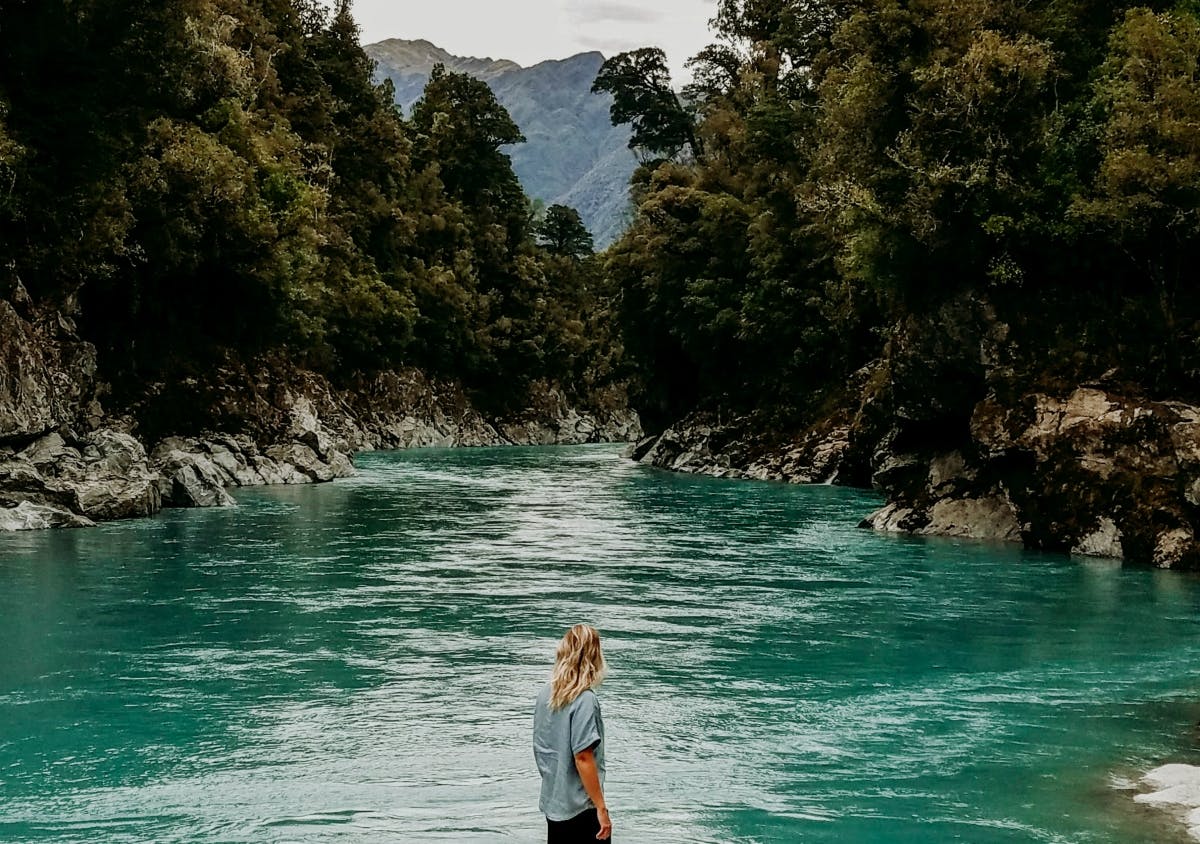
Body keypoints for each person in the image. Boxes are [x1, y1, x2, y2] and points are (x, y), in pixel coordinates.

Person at [533, 624, 612, 843]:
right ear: (594, 656)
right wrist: (601, 808)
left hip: (554, 803)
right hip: (581, 808)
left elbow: (542, 748)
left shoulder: (546, 694)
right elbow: (583, 756)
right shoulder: (585, 700)